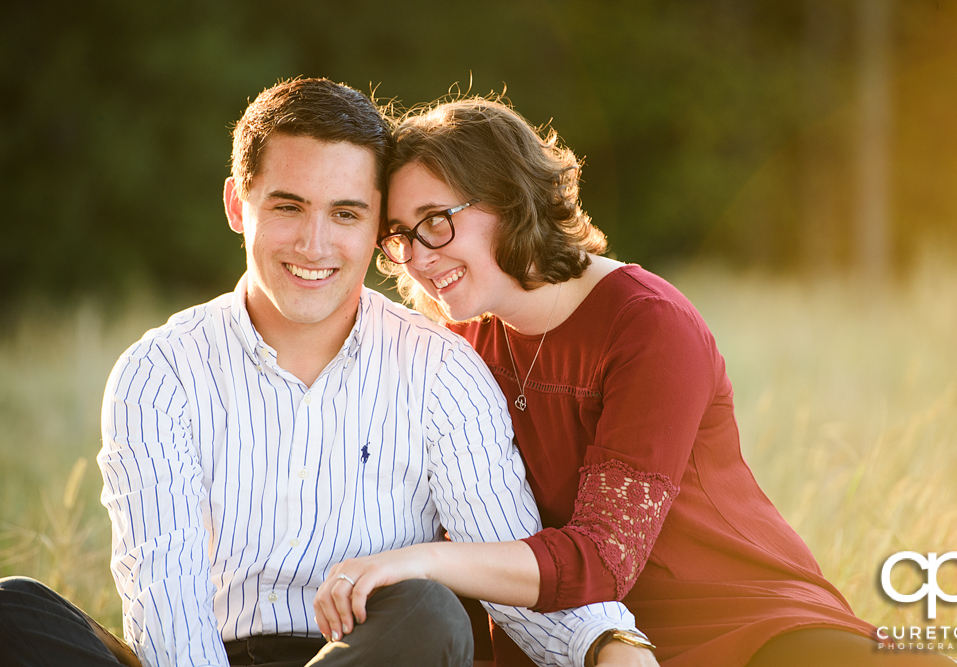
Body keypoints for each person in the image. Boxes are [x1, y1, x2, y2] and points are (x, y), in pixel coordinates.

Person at [0, 79, 645, 667]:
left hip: (374, 654)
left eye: (345, 214)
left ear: (377, 229)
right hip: (206, 658)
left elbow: (510, 570)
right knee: (14, 611)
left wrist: (610, 646)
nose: (315, 245)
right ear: (236, 204)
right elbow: (166, 605)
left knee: (429, 612)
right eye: (288, 208)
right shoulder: (160, 374)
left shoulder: (441, 371)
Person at [319, 96, 957, 667]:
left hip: (744, 619)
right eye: (399, 237)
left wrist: (422, 563)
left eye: (436, 220)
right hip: (580, 639)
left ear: (509, 198)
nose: (418, 257)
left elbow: (603, 557)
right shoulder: (458, 345)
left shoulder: (648, 324)